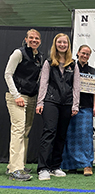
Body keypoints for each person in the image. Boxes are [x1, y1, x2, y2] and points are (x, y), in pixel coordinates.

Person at [36, 33, 80, 181]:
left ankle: (55, 166)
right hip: (50, 101)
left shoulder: (73, 64)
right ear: (55, 44)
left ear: (68, 45)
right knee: (49, 133)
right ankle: (43, 168)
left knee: (61, 136)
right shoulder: (49, 62)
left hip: (67, 104)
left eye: (65, 42)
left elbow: (76, 86)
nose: (62, 45)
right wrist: (40, 102)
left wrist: (75, 104)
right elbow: (44, 83)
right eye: (59, 42)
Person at [4, 29, 43, 181]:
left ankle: (18, 164)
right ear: (26, 39)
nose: (34, 40)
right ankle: (15, 169)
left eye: (37, 38)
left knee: (25, 132)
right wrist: (16, 95)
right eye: (31, 38)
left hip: (31, 97)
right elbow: (8, 74)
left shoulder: (39, 56)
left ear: (40, 41)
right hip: (17, 98)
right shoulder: (18, 53)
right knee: (18, 131)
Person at [61, 45, 95, 176]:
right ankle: (71, 165)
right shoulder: (69, 68)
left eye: (87, 54)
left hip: (86, 107)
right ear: (77, 53)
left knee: (86, 136)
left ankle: (87, 165)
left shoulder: (92, 70)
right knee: (70, 136)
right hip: (70, 105)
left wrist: (94, 106)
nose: (85, 56)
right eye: (83, 53)